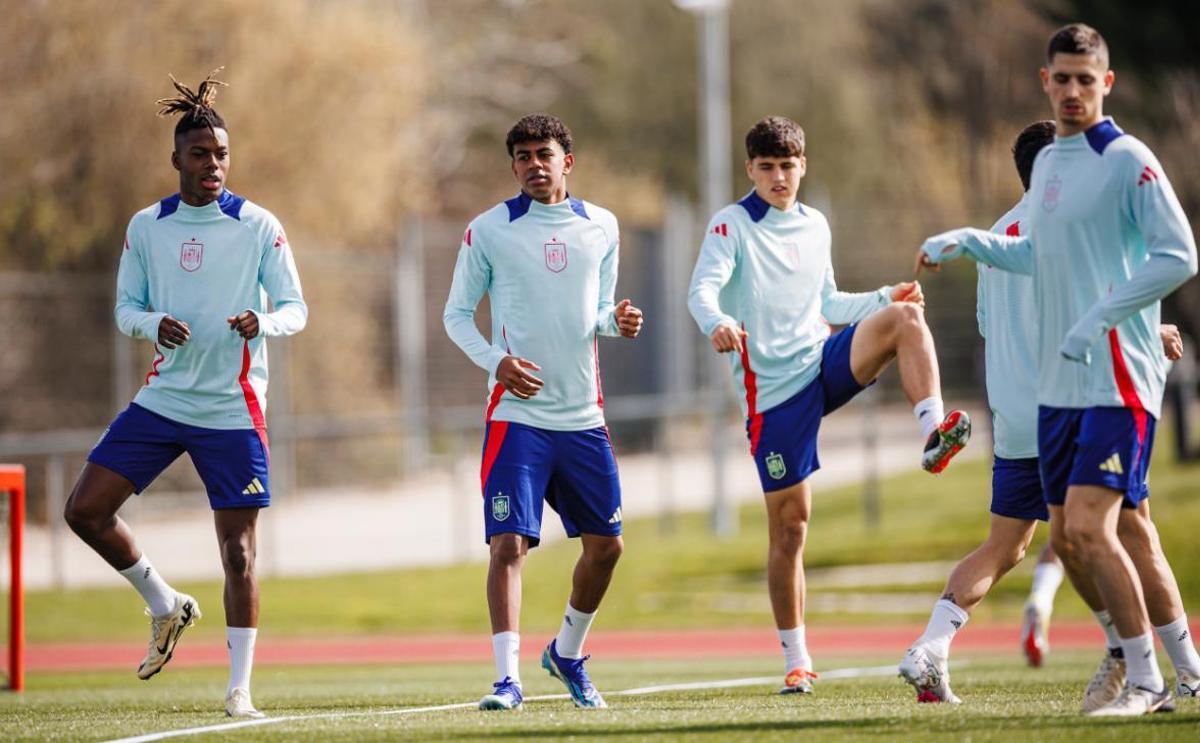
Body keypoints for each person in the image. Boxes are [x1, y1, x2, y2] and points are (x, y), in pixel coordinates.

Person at [916, 24, 1198, 716]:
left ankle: (1150, 680)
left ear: (1107, 84)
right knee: (1073, 538)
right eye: (1061, 78)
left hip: (1114, 378)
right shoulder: (1050, 168)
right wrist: (971, 242)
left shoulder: (1128, 159)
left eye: (1086, 78)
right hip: (1062, 388)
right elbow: (1036, 254)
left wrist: (1101, 317)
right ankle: (1176, 671)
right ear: (1046, 83)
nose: (1073, 90)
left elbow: (1179, 255)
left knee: (1097, 531)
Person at [688, 116, 971, 696]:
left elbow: (829, 300)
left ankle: (932, 432)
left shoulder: (816, 224)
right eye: (766, 167)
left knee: (906, 319)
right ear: (750, 170)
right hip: (774, 394)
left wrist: (883, 297)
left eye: (787, 166)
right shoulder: (731, 224)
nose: (778, 177)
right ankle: (797, 658)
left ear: (803, 166)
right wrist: (716, 321)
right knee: (791, 527)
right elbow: (702, 290)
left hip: (824, 360)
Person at [62, 69, 307, 719]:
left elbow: (295, 307)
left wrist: (264, 321)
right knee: (84, 511)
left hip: (233, 407)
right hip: (165, 399)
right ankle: (165, 604)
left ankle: (239, 689)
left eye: (222, 154)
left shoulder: (258, 226)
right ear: (176, 159)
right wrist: (153, 323)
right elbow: (125, 308)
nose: (213, 164)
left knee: (238, 552)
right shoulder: (148, 227)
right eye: (200, 154)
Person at [443, 114, 643, 711]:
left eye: (544, 153)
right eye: (523, 155)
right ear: (513, 166)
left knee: (606, 547)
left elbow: (600, 311)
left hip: (583, 417)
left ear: (567, 161)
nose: (534, 163)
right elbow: (456, 315)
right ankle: (507, 680)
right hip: (517, 420)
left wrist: (619, 321)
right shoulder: (489, 231)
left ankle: (567, 652)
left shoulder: (602, 226)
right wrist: (496, 361)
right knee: (508, 544)